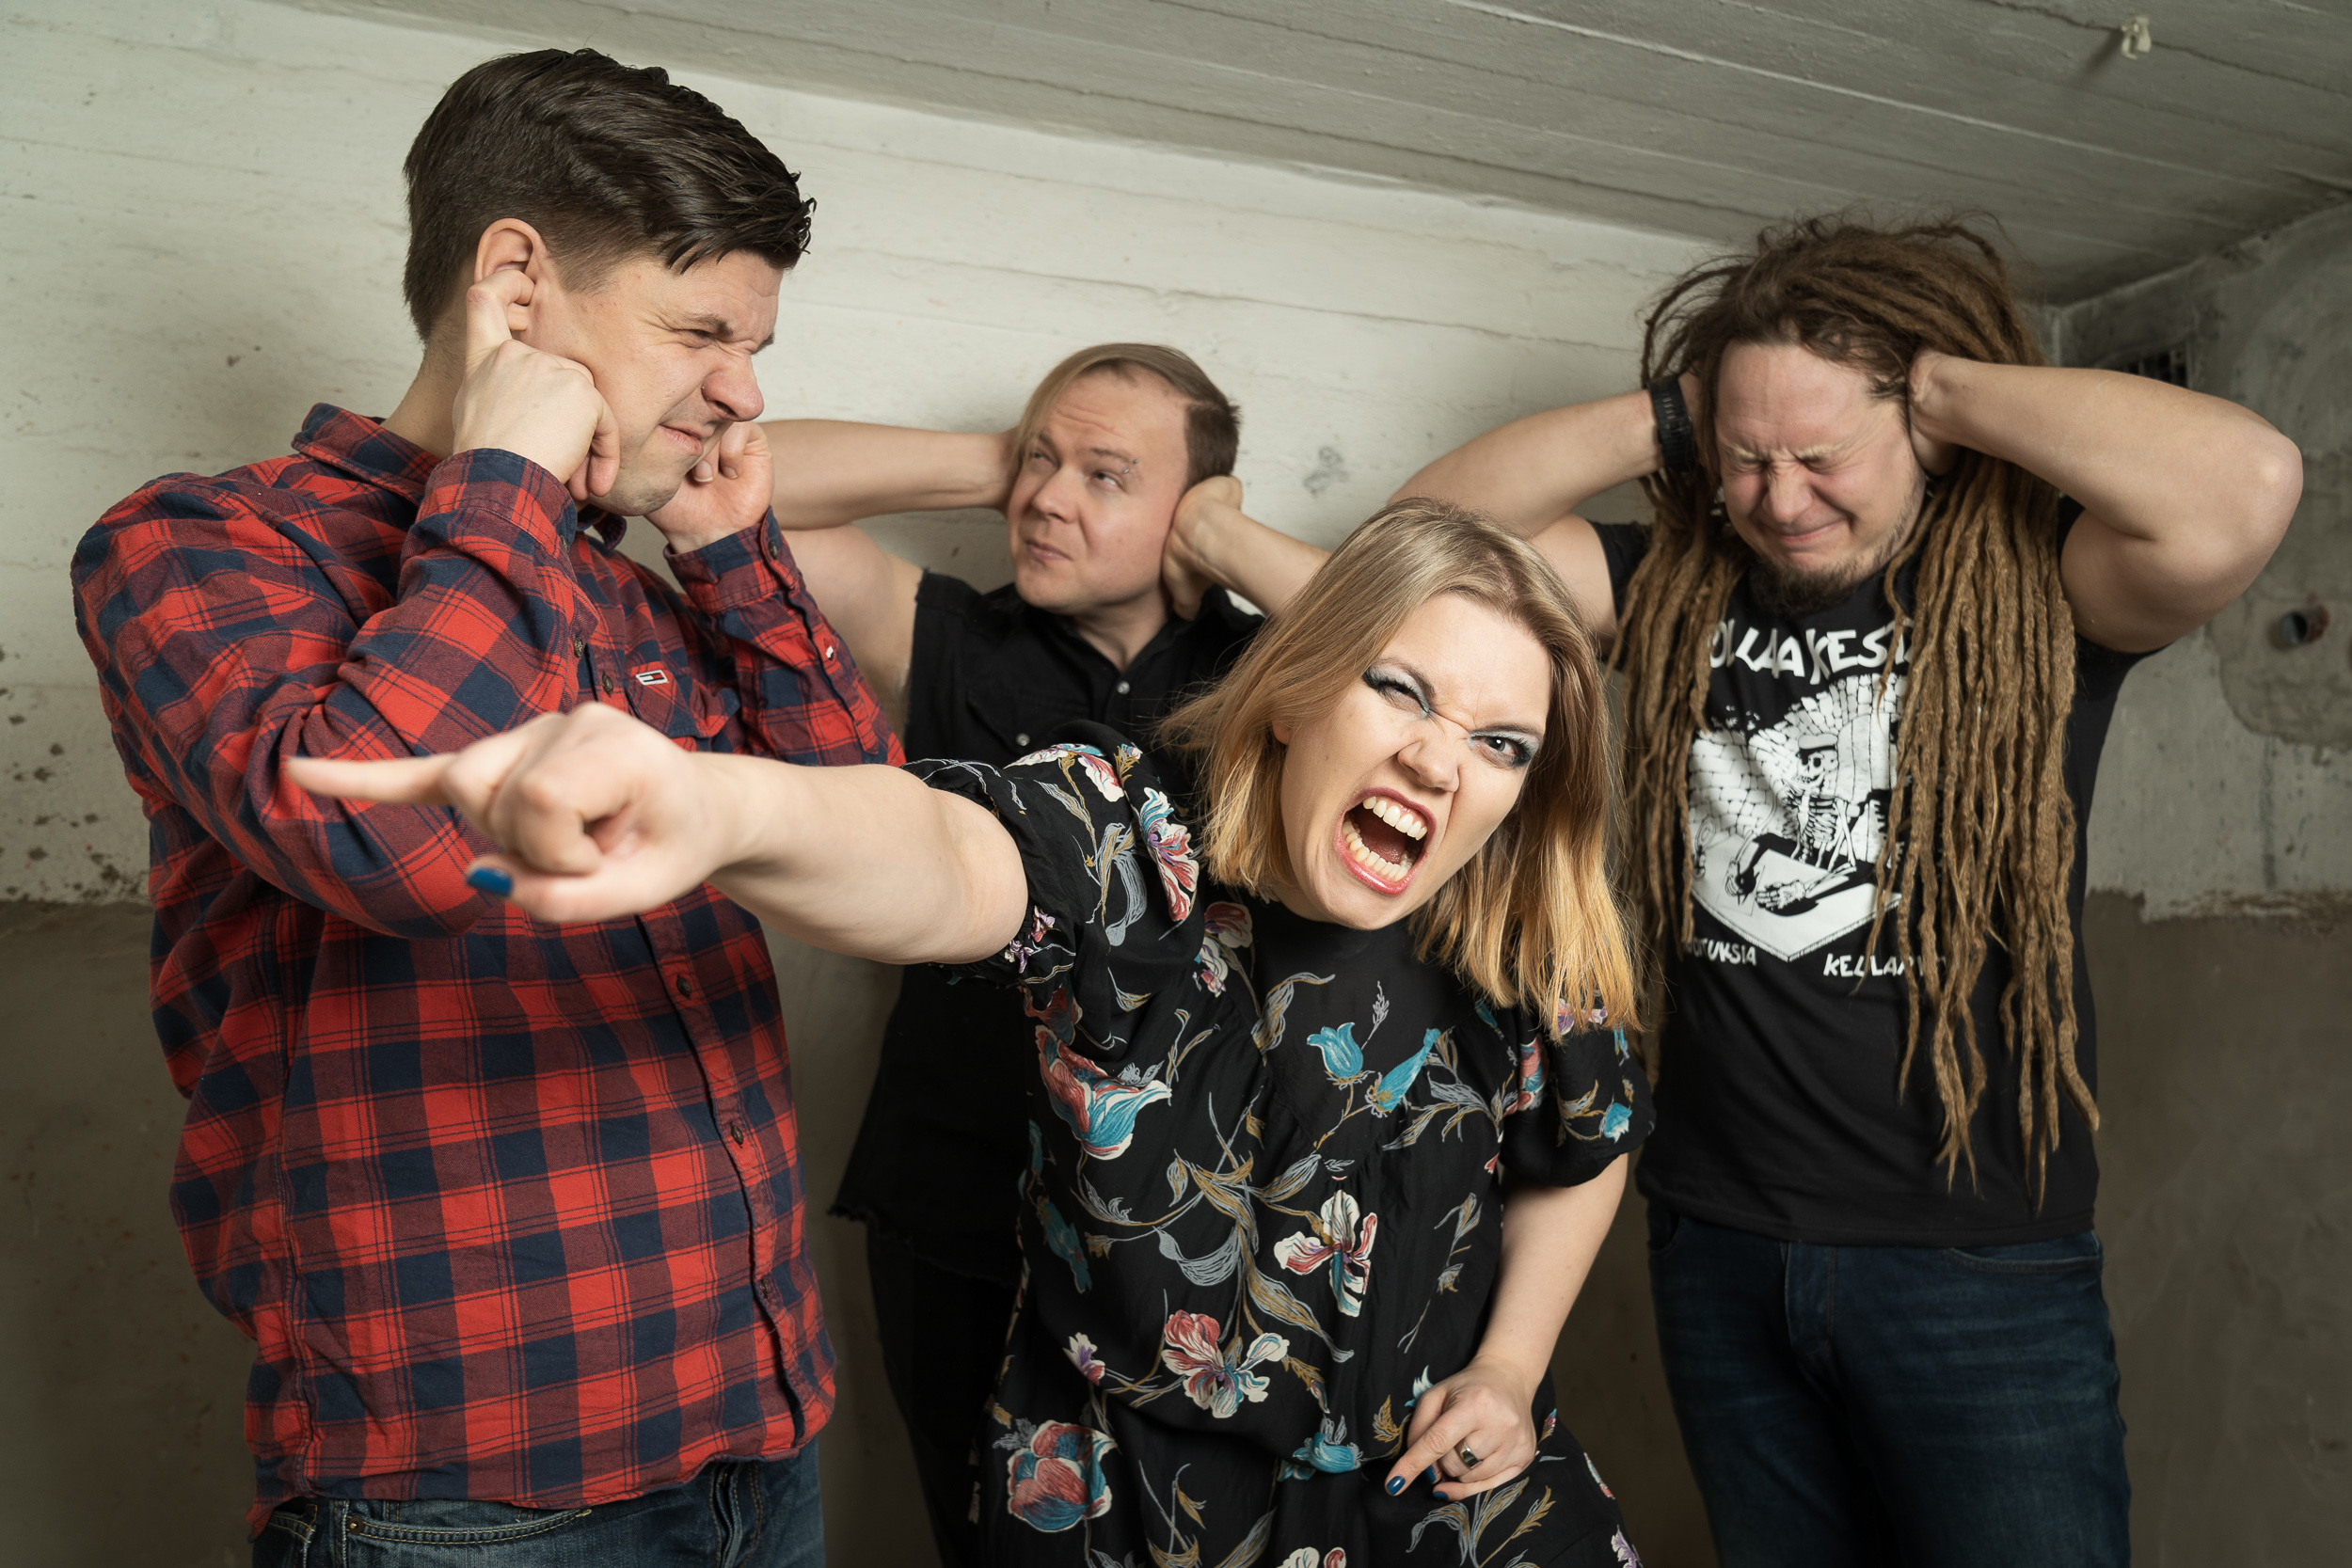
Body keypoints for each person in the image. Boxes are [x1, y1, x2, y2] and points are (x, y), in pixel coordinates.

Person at [291, 501, 1659, 1566]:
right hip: (1131, 1513)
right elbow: (949, 855)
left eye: (1503, 742)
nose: (1439, 760)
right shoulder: (1136, 838)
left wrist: (1511, 1364)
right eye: (1402, 691)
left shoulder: (1526, 929)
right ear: (1297, 687)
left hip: (1431, 1497)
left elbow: (1589, 1146)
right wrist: (723, 809)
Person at [1357, 217, 2297, 1565]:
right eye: (1746, 458)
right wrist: (1680, 413)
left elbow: (2249, 482)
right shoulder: (1669, 584)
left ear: (1926, 433)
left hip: (1975, 1262)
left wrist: (1941, 383)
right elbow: (1414, 544)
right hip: (1717, 1241)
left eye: (1823, 455)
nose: (1782, 498)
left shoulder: (2042, 587)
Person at [70, 49, 895, 1564]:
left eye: (754, 344)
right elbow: (394, 846)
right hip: (465, 1500)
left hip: (761, 1438)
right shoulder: (197, 544)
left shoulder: (637, 598)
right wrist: (507, 466)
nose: (745, 390)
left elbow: (872, 850)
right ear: (513, 286)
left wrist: (734, 558)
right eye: (701, 332)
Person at [730, 343, 1315, 1564]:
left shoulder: (1268, 669)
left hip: (1197, 1222)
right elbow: (736, 477)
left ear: (1194, 506)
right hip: (960, 1196)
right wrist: (1011, 460)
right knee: (986, 1540)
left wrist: (1219, 539)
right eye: (1041, 463)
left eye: (1107, 475)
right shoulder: (951, 635)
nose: (1050, 499)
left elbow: (1427, 647)